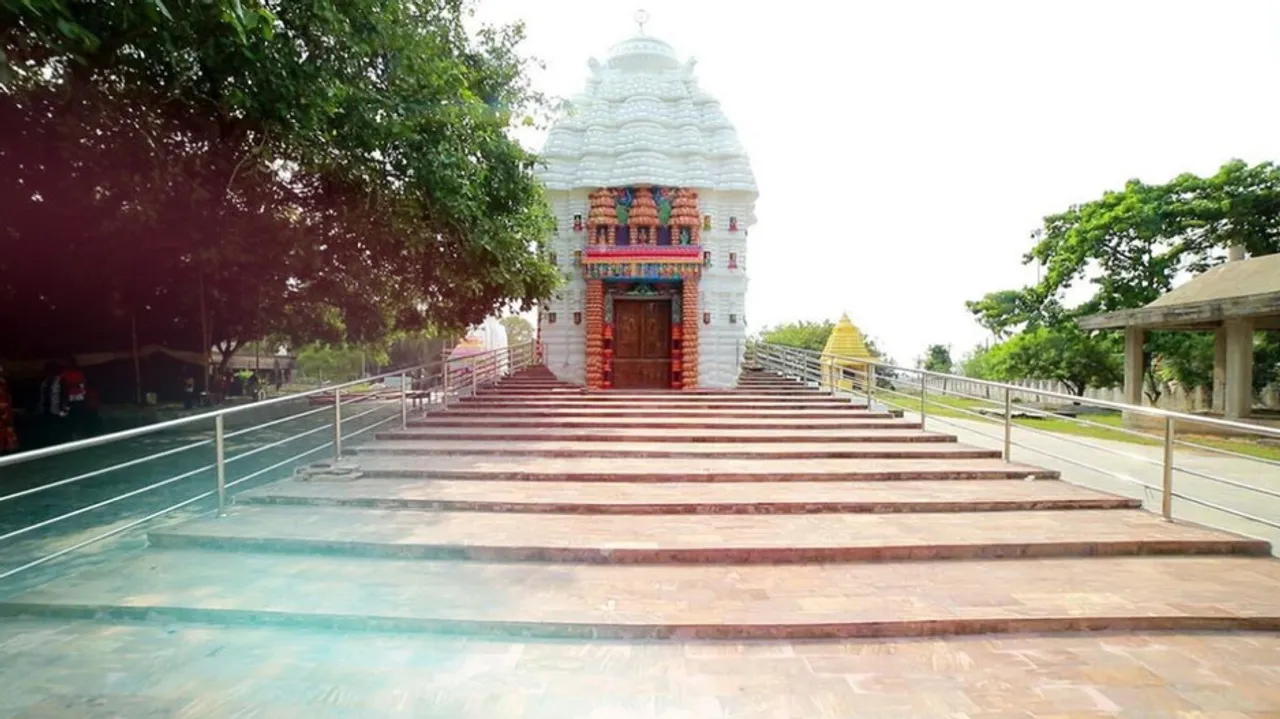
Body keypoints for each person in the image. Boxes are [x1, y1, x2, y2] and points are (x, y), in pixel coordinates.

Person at [0, 361, 19, 454]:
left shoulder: (4, 382)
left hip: (6, 410)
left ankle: (9, 448)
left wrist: (10, 408)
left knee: (8, 428)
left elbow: (8, 396)